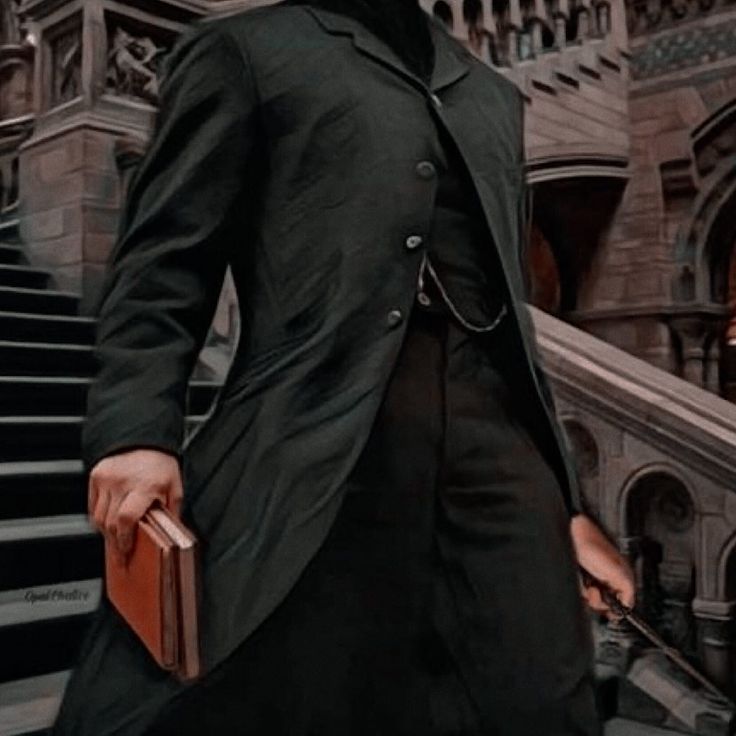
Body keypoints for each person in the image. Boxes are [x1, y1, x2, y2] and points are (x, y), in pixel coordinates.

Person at [52, 1, 635, 734]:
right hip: (318, 426)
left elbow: (510, 319)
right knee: (294, 695)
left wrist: (566, 506)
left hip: (497, 448)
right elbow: (166, 263)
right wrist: (136, 432)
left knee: (541, 698)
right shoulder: (245, 51)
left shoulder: (491, 93)